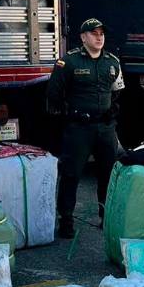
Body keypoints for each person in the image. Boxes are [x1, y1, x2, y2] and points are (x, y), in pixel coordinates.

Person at [47, 18, 124, 239]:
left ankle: (106, 217)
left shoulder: (112, 62)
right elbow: (53, 95)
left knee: (108, 174)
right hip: (79, 128)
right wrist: (70, 114)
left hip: (105, 128)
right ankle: (66, 221)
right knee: (71, 174)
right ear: (83, 37)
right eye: (93, 33)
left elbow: (117, 90)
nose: (99, 37)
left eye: (101, 33)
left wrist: (111, 111)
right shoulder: (68, 62)